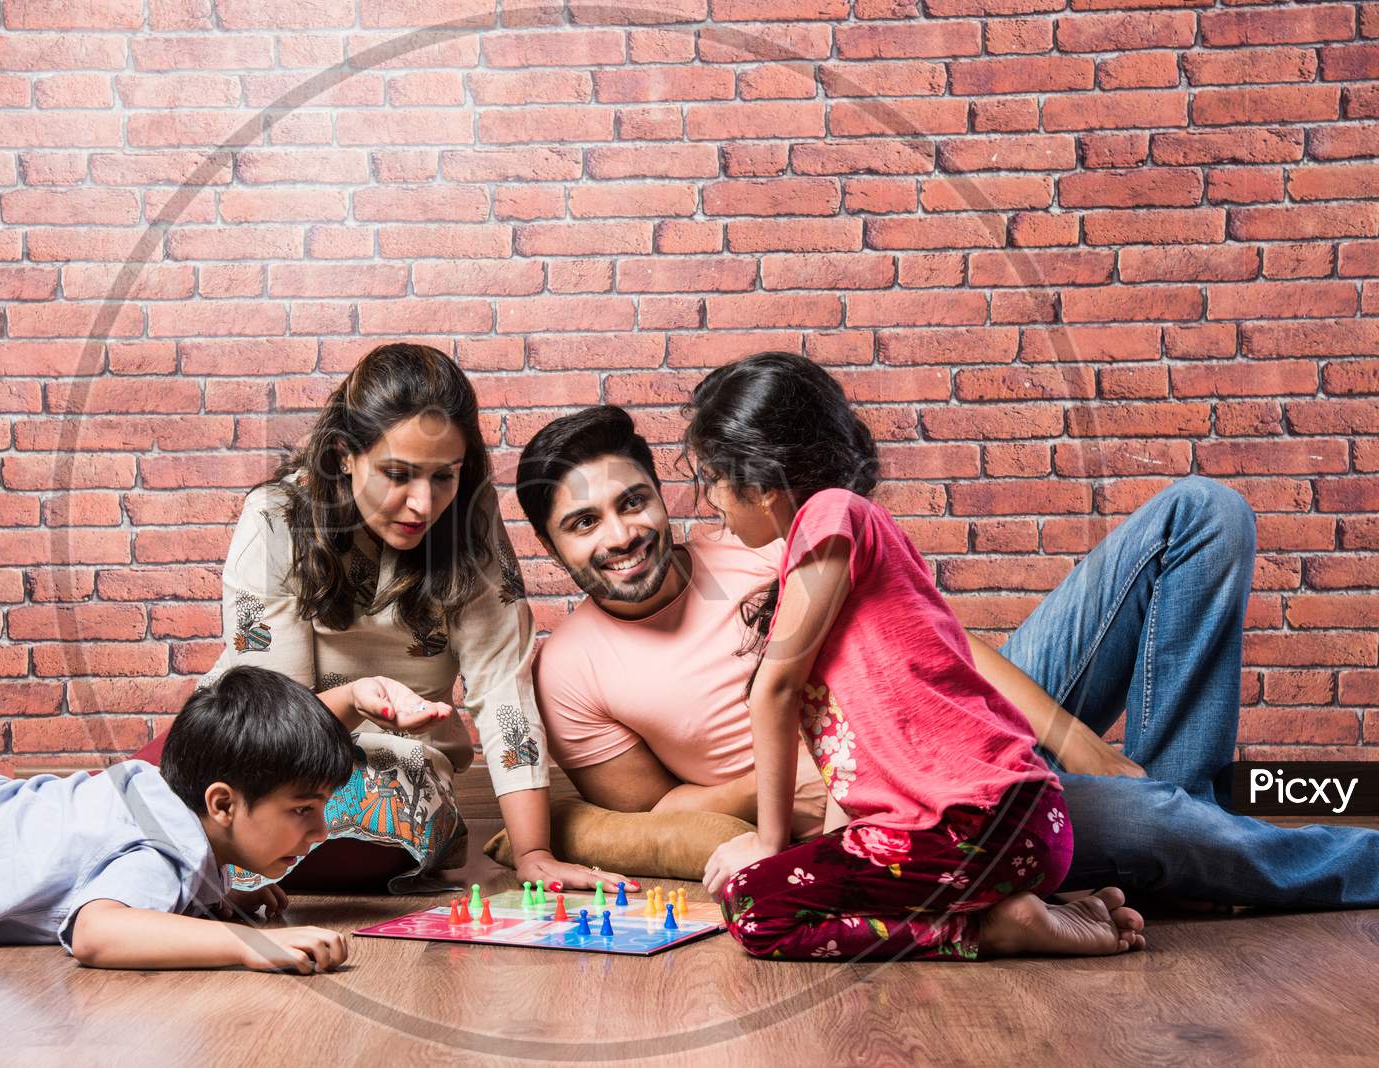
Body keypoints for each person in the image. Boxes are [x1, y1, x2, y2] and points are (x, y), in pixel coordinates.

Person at [520, 399, 1379, 916]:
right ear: (553, 549)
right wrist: (812, 777)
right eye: (582, 522)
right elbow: (657, 812)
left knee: (1202, 512)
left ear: (663, 498)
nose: (621, 535)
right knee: (1159, 828)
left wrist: (1082, 745)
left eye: (633, 502)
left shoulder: (757, 540)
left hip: (957, 718)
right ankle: (1198, 839)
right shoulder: (572, 670)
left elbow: (934, 640)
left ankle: (1177, 824)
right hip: (906, 802)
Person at [684, 352, 1145, 959]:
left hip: (976, 826)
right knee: (796, 888)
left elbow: (774, 690)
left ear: (763, 479)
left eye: (714, 477)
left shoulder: (831, 512)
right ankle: (1021, 911)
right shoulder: (848, 549)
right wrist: (823, 855)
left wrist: (767, 847)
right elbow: (848, 768)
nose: (711, 498)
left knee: (754, 904)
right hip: (1008, 834)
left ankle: (990, 931)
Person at [132, 343, 632, 896]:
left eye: (446, 476)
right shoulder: (277, 518)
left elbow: (501, 684)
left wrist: (534, 852)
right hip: (270, 755)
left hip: (395, 767)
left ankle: (214, 856)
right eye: (398, 474)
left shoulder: (471, 522)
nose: (422, 503)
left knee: (360, 829)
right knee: (146, 799)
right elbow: (275, 722)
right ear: (345, 454)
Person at [0, 666, 357, 974]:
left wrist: (215, 900)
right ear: (222, 804)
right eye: (303, 809)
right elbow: (97, 933)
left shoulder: (156, 793)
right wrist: (244, 944)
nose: (321, 829)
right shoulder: (158, 858)